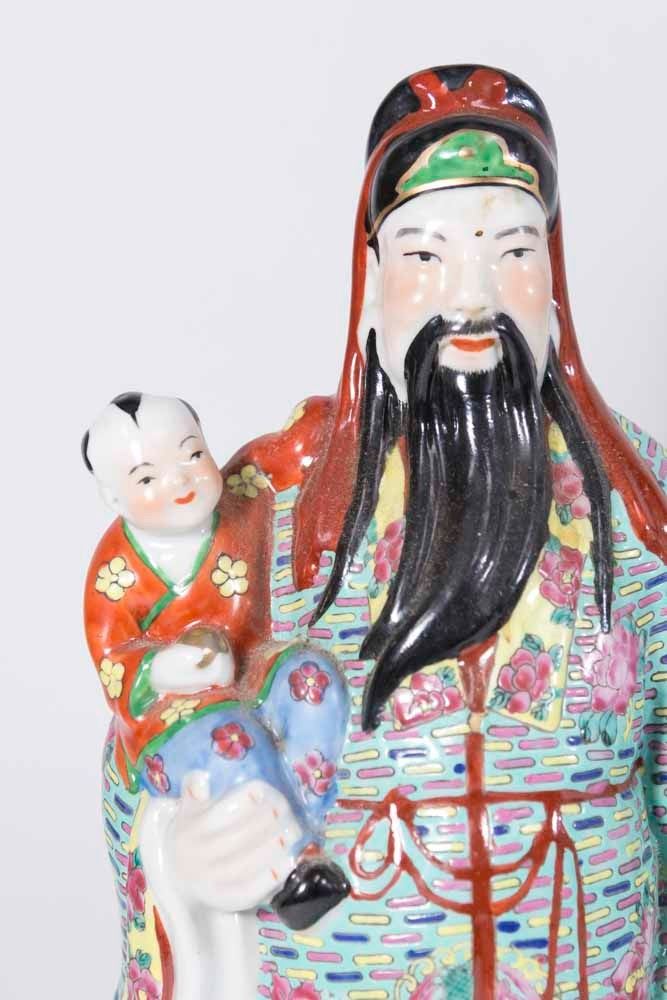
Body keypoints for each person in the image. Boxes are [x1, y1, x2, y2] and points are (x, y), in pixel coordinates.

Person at [92, 67, 667, 1000]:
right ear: (369, 286)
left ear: (553, 284)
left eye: (512, 250)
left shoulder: (641, 515)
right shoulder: (265, 511)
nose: (470, 300)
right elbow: (149, 727)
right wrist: (178, 852)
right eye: (425, 255)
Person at [83, 393, 349, 992]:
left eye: (191, 456)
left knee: (314, 683)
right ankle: (292, 869)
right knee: (236, 740)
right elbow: (114, 663)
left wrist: (330, 422)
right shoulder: (114, 573)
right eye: (147, 478)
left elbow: (283, 454)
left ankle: (304, 822)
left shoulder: (239, 501)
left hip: (250, 670)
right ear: (113, 497)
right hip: (175, 717)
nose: (180, 482)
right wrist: (170, 668)